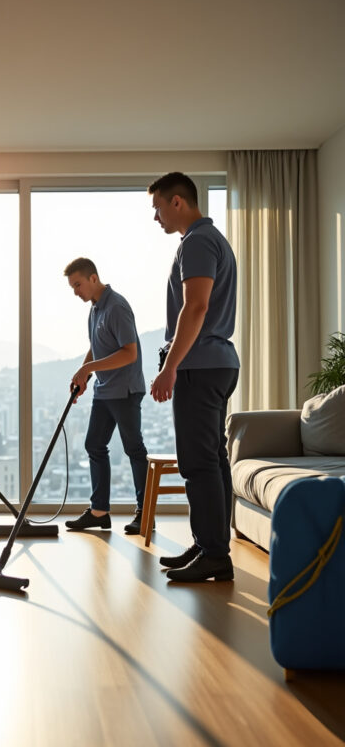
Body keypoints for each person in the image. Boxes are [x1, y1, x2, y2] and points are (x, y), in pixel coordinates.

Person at [148, 172, 240, 583]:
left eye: (158, 208)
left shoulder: (198, 242)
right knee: (213, 459)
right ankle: (209, 545)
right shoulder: (212, 239)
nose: (156, 217)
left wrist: (170, 367)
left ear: (177, 202)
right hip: (217, 363)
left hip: (199, 366)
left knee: (198, 462)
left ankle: (214, 554)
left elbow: (196, 306)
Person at [62, 258, 150, 533]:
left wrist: (88, 368)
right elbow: (96, 347)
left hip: (125, 390)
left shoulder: (117, 307)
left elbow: (129, 353)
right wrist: (84, 376)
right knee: (94, 445)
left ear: (93, 278)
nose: (75, 291)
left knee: (134, 449)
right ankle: (99, 512)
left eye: (77, 284)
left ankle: (145, 514)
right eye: (72, 287)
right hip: (104, 389)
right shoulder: (95, 310)